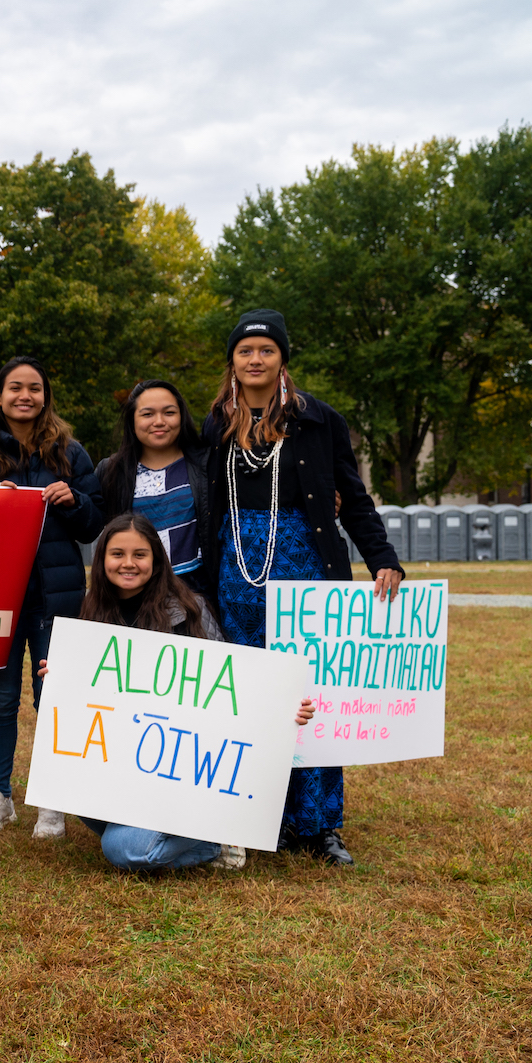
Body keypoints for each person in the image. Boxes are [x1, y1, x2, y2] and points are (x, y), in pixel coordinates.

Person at [203, 309, 403, 867]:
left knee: (310, 697)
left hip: (305, 566)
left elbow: (353, 497)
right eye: (245, 351)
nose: (256, 359)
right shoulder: (215, 424)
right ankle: (257, 815)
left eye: (266, 350)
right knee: (248, 695)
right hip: (236, 568)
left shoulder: (320, 420)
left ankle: (318, 826)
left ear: (282, 357)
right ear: (233, 362)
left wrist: (381, 557)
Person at [37, 513, 316, 872]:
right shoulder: (92, 612)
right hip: (134, 774)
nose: (128, 563)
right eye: (117, 553)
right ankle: (185, 834)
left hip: (188, 782)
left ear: (156, 559)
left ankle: (217, 841)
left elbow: (233, 690)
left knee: (121, 850)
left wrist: (283, 709)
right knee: (84, 801)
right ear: (102, 558)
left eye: (139, 554)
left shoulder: (189, 609)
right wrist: (61, 679)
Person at [0, 355, 103, 840]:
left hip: (57, 599)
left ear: (45, 396)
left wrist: (74, 501)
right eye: (15, 387)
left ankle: (52, 802)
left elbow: (95, 524)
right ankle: (0, 796)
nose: (24, 396)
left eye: (34, 388)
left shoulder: (71, 453)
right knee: (2, 700)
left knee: (52, 699)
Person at [95, 380, 215, 601]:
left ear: (182, 416)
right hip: (134, 595)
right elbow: (91, 525)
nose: (159, 422)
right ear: (132, 421)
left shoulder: (207, 464)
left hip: (197, 594)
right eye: (147, 414)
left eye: (169, 412)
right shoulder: (111, 471)